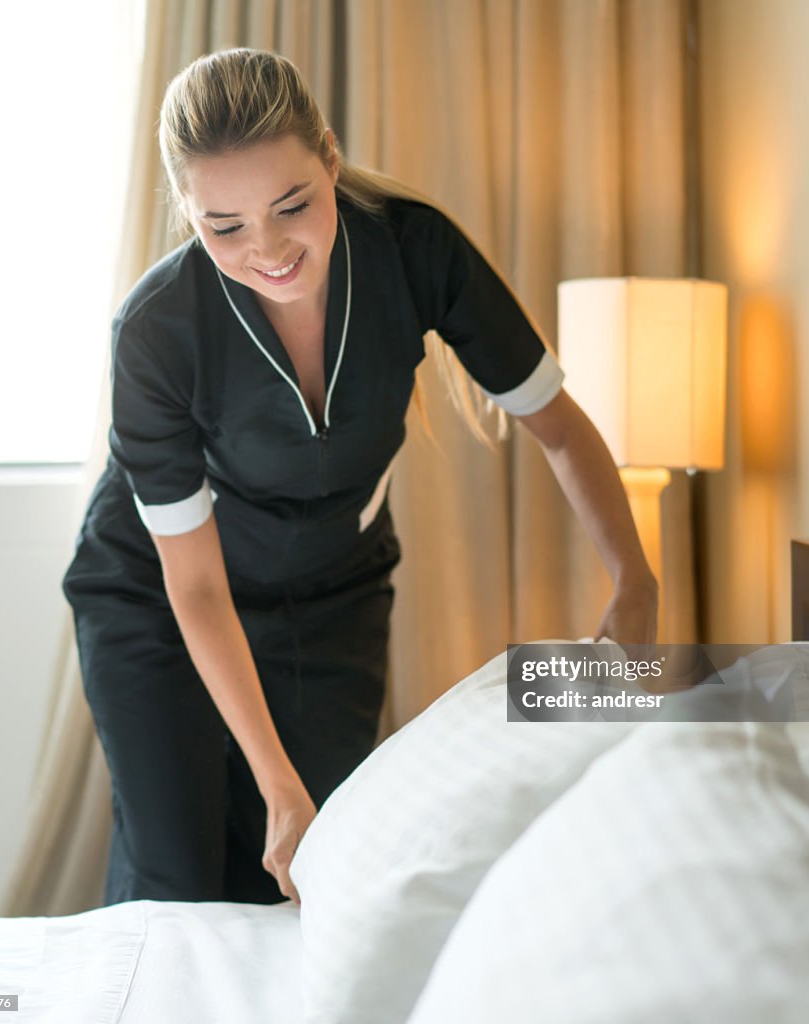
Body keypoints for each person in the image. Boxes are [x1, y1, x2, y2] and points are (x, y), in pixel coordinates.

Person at [63, 47, 658, 909]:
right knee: (178, 879)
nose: (266, 247)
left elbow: (558, 427)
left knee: (313, 871)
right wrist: (276, 783)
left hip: (331, 590)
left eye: (292, 204)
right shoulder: (157, 331)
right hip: (159, 595)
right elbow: (193, 587)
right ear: (187, 213)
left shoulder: (414, 251)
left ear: (330, 161)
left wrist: (634, 580)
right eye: (222, 225)